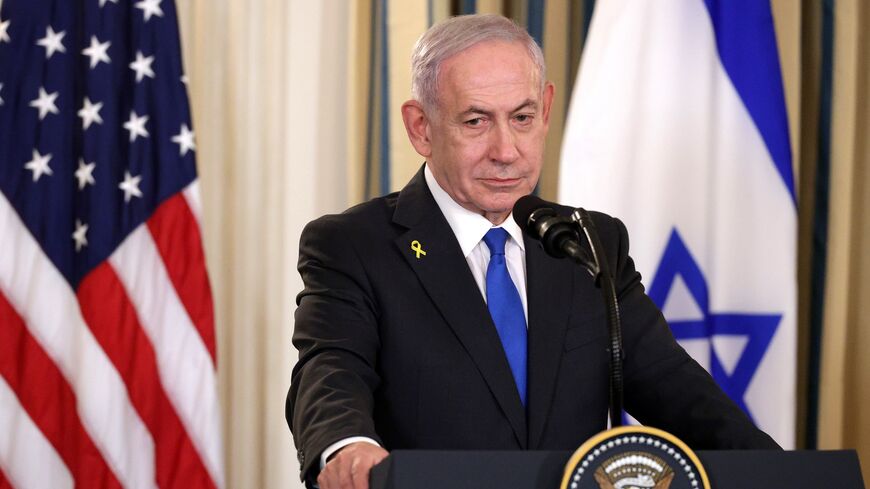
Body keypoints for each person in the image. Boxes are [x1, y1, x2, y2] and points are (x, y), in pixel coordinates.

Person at [286, 13, 779, 489]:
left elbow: (678, 391)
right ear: (421, 127)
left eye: (522, 118)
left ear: (545, 110)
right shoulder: (354, 245)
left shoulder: (588, 243)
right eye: (476, 121)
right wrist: (346, 445)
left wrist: (782, 475)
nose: (506, 149)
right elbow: (330, 368)